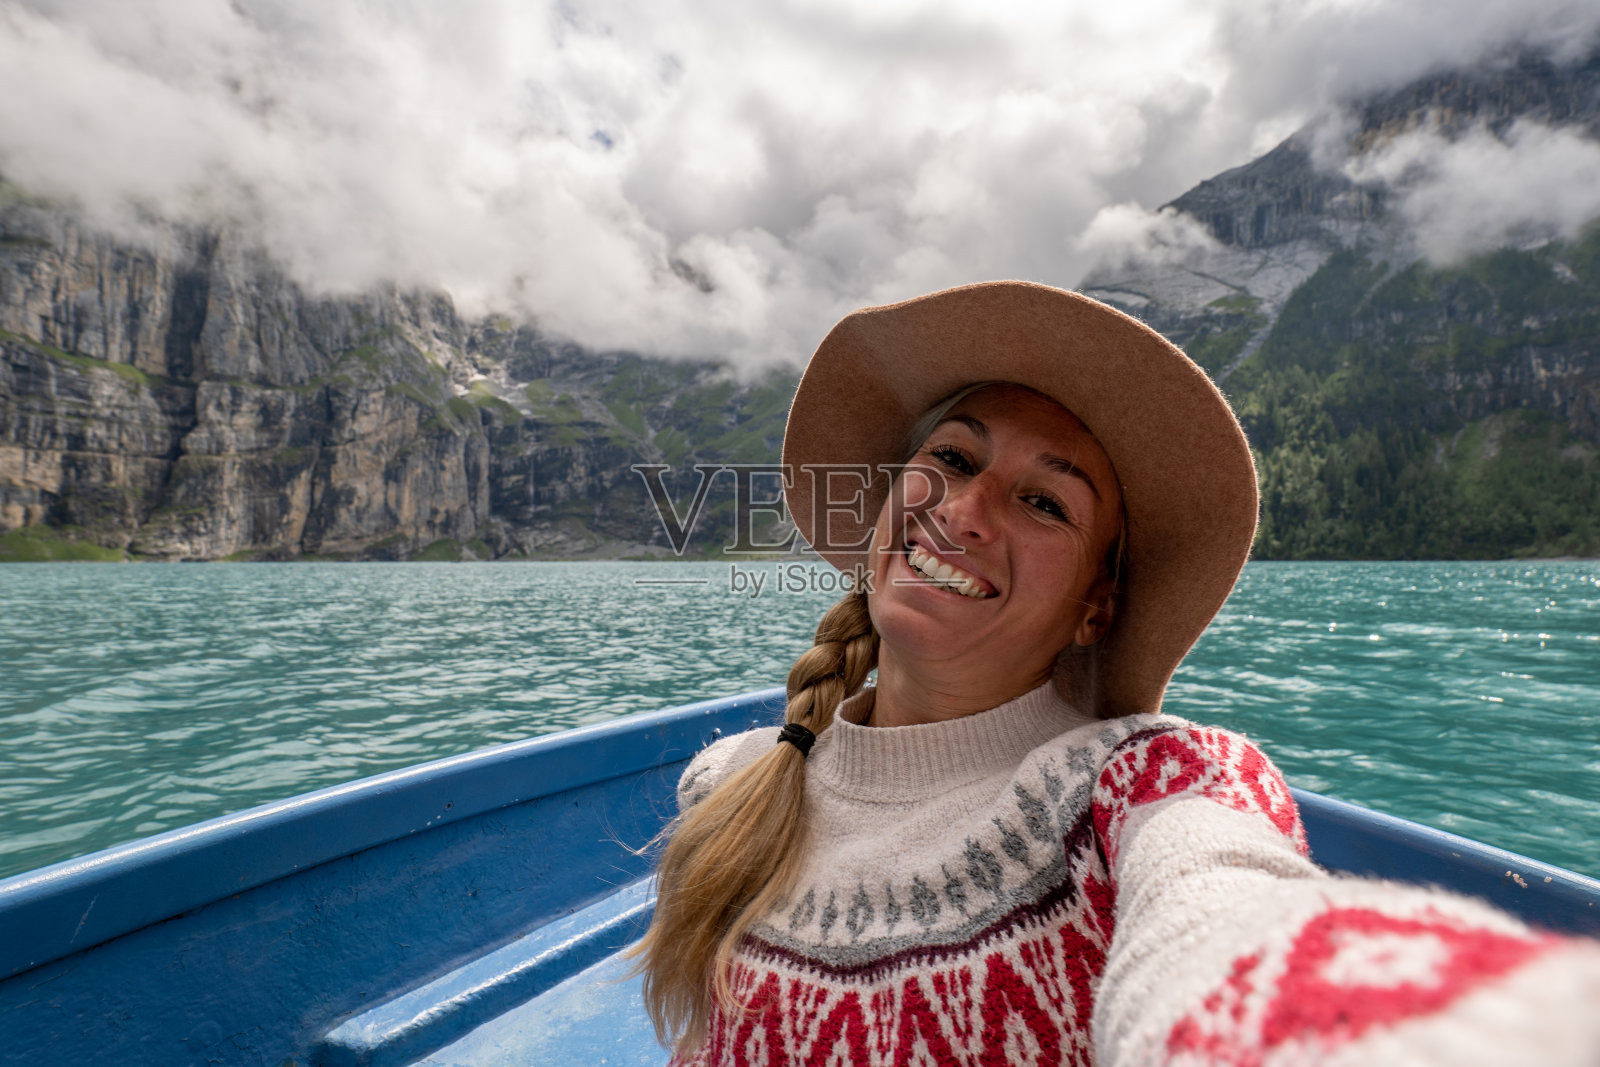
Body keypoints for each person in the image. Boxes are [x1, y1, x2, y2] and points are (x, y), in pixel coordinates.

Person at [630, 281, 1600, 1066]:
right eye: (952, 456)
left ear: (1097, 605)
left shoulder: (1141, 791)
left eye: (1044, 503)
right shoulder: (728, 784)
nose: (963, 510)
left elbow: (1229, 916)